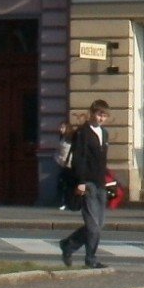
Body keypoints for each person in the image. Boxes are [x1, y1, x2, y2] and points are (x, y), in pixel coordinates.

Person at [59, 100, 112, 269]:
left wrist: (108, 180)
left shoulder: (104, 133)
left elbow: (102, 161)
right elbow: (79, 159)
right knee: (93, 226)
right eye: (98, 114)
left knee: (99, 224)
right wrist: (81, 182)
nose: (101, 118)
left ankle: (68, 244)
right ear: (91, 113)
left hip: (100, 183)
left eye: (104, 115)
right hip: (87, 183)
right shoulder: (83, 133)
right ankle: (91, 259)